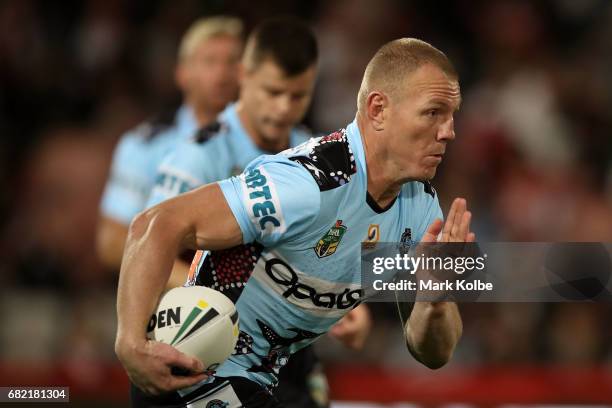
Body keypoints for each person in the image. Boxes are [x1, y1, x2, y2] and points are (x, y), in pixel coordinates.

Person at [115, 38, 474, 407]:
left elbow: (433, 354)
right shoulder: (309, 182)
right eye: (433, 112)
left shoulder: (422, 211)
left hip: (264, 380)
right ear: (378, 109)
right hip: (194, 371)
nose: (449, 131)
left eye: (452, 115)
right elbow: (155, 223)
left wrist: (434, 300)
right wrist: (130, 343)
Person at [143, 17, 371, 407]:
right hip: (209, 347)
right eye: (273, 91)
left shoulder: (318, 157)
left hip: (289, 352)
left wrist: (352, 305)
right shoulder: (198, 156)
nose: (283, 108)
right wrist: (221, 296)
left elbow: (334, 243)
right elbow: (149, 247)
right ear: (244, 76)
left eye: (297, 96)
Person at [97, 16, 243, 271]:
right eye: (209, 61)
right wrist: (193, 283)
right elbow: (112, 242)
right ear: (183, 74)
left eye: (232, 62)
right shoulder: (146, 145)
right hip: (173, 298)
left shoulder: (275, 141)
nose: (222, 73)